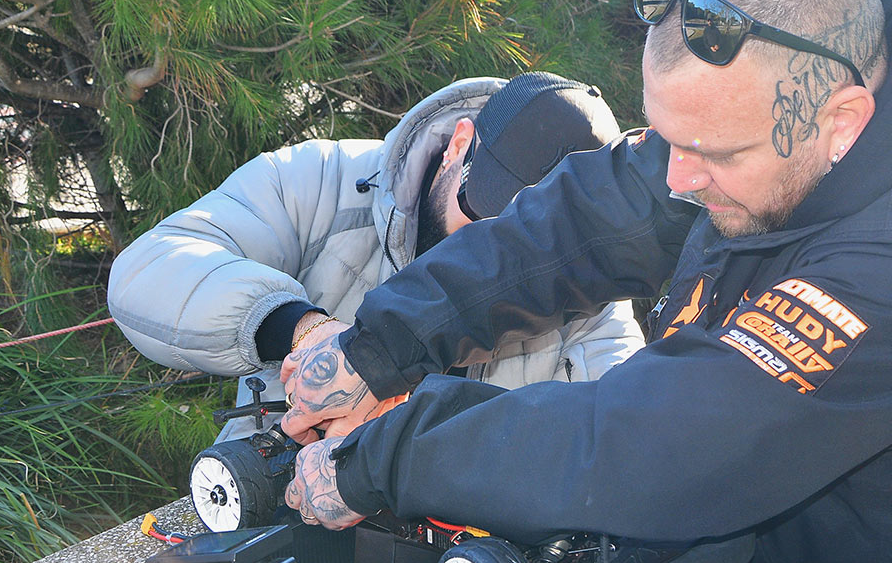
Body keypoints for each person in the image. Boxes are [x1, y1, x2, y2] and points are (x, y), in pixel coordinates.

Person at [281, 0, 892, 563]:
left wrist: (393, 455)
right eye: (670, 137)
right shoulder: (765, 101)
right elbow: (582, 220)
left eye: (712, 153)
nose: (676, 179)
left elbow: (671, 445)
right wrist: (380, 346)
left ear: (841, 123)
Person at [108, 72, 645, 442]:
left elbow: (620, 446)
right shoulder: (317, 179)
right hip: (275, 508)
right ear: (461, 144)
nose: (489, 251)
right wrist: (306, 334)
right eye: (482, 209)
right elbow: (148, 270)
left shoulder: (590, 295)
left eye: (522, 244)